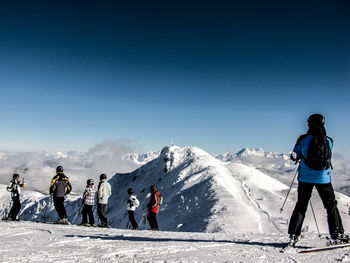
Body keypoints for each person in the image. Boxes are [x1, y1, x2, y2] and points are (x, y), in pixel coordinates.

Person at [288, 114, 345, 245]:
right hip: (324, 178)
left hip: (305, 178)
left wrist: (297, 156)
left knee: (301, 205)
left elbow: (295, 155)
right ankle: (337, 233)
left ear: (309, 124)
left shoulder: (303, 139)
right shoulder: (329, 140)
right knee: (331, 205)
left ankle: (293, 235)